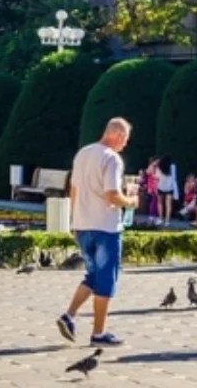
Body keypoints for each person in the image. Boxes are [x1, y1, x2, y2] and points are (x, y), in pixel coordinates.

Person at [57, 118, 139, 348]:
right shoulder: (111, 158)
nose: (125, 145)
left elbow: (73, 190)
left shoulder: (83, 153)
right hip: (105, 227)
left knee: (92, 276)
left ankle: (69, 316)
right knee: (106, 281)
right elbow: (111, 194)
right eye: (125, 139)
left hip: (83, 225)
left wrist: (74, 221)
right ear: (117, 135)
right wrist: (131, 201)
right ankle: (98, 333)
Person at [155, 155, 178, 224]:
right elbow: (174, 177)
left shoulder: (159, 166)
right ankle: (167, 221)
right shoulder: (173, 167)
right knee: (168, 205)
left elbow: (157, 177)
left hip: (160, 186)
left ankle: (160, 218)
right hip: (169, 187)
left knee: (160, 203)